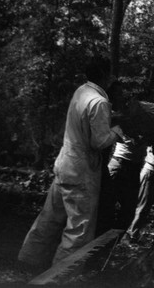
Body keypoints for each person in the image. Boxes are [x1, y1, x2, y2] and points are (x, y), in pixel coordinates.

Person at [18, 55, 124, 269]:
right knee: (79, 231)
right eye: (110, 73)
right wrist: (117, 131)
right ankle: (61, 278)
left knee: (48, 220)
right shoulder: (100, 101)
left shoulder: (81, 92)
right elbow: (99, 141)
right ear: (105, 75)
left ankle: (28, 261)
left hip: (64, 165)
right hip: (81, 172)